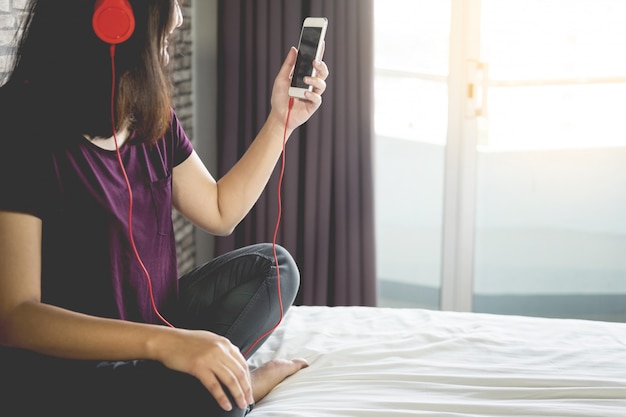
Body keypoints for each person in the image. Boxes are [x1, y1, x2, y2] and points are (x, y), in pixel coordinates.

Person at [0, 1, 329, 416]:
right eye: (166, 25)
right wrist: (169, 344)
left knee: (274, 269)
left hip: (159, 333)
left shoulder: (148, 113)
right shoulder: (18, 126)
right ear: (114, 21)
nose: (174, 26)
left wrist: (281, 119)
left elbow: (219, 209)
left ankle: (215, 382)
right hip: (81, 370)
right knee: (203, 402)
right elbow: (15, 316)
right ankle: (229, 389)